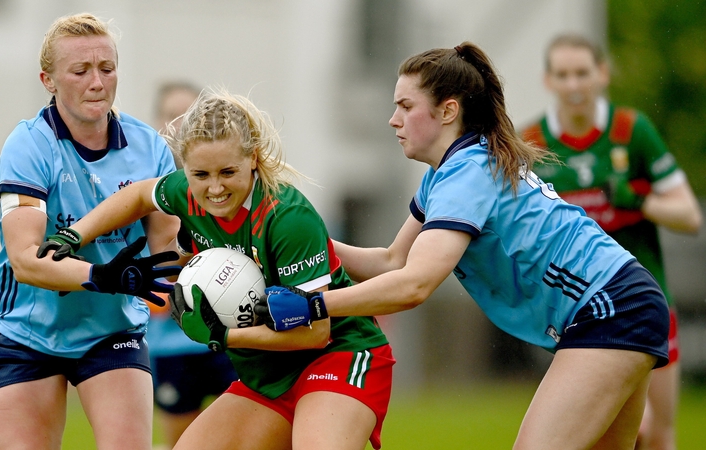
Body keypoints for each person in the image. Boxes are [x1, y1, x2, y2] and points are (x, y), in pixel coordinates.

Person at [259, 42, 672, 450]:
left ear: (448, 110)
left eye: (405, 106)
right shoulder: (450, 172)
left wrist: (312, 305)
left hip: (610, 307)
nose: (392, 120)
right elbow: (391, 261)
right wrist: (297, 241)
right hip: (623, 300)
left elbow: (413, 286)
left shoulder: (465, 175)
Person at [50, 88, 395, 450]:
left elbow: (315, 333)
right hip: (268, 371)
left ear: (254, 159)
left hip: (338, 354)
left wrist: (222, 336)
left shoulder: (288, 218)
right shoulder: (187, 192)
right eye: (200, 174)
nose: (214, 188)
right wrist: (75, 234)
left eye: (228, 172)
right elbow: (137, 196)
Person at [0, 13, 181, 450]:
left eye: (107, 69)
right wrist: (102, 277)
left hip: (113, 331)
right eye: (81, 70)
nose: (97, 82)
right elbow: (25, 259)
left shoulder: (150, 148)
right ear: (48, 80)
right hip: (25, 332)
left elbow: (168, 249)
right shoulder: (29, 146)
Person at [521, 33, 703, 450]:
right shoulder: (532, 142)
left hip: (648, 298)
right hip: (582, 310)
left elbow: (690, 216)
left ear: (602, 74)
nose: (574, 85)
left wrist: (637, 199)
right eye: (563, 75)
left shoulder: (631, 131)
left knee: (658, 434)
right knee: (619, 430)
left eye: (582, 73)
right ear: (548, 81)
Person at [145, 81, 238, 449]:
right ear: (157, 122)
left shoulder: (228, 183)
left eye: (189, 117)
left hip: (229, 337)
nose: (179, 126)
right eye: (171, 116)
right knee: (180, 443)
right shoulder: (145, 191)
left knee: (244, 437)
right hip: (171, 342)